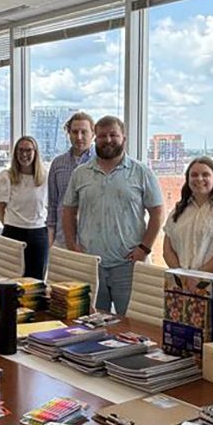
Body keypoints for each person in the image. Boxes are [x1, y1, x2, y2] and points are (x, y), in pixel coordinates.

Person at [62, 116, 163, 315]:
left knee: (130, 325)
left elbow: (158, 213)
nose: (108, 140)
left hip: (128, 265)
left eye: (113, 135)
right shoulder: (81, 173)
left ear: (123, 138)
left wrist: (144, 248)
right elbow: (68, 212)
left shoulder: (141, 172)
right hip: (91, 264)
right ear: (95, 139)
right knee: (89, 324)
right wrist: (73, 246)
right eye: (102, 136)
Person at [163, 156, 213, 274]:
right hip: (184, 279)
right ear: (187, 179)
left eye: (205, 175)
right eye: (194, 175)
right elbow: (167, 250)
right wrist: (182, 276)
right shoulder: (177, 211)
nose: (199, 179)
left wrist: (198, 277)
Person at [0, 136, 49, 280]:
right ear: (15, 153)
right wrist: (11, 224)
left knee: (35, 283)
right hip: (13, 233)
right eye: (20, 150)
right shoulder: (7, 177)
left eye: (28, 150)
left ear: (35, 152)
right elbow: (0, 207)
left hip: (39, 234)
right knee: (10, 280)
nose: (24, 154)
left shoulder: (45, 177)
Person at [47, 112, 94, 248]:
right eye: (74, 132)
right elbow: (53, 204)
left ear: (93, 133)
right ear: (68, 133)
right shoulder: (58, 163)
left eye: (84, 132)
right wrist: (50, 242)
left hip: (93, 241)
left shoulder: (101, 163)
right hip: (62, 240)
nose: (79, 137)